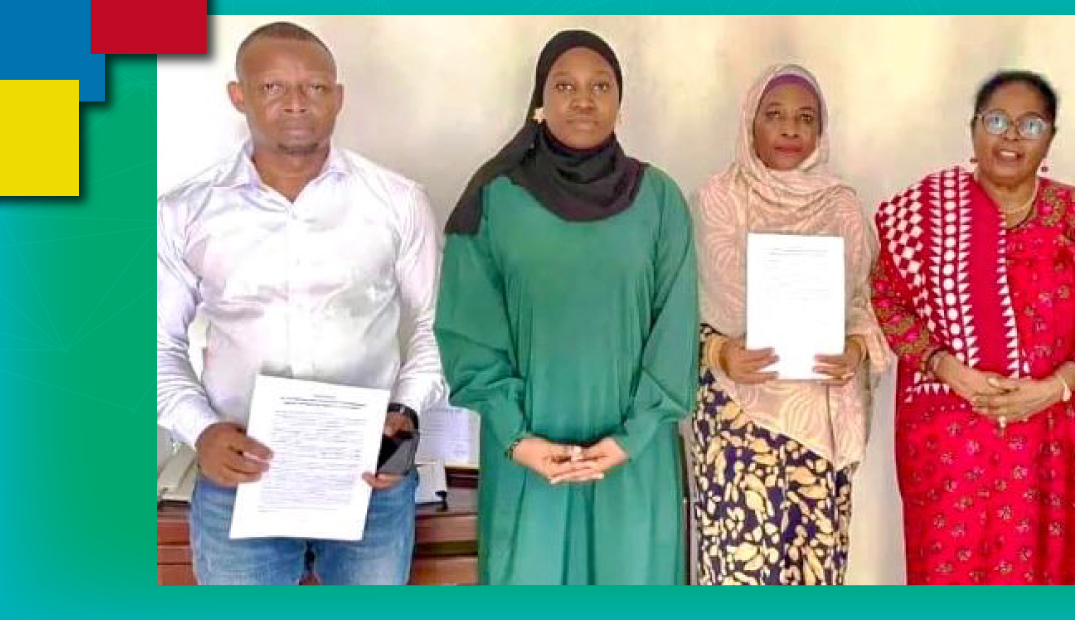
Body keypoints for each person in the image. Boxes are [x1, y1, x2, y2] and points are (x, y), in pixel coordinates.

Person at [155, 21, 444, 585]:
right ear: (239, 95)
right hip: (238, 475)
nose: (296, 103)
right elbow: (154, 344)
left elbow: (437, 327)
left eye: (314, 87)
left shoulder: (397, 202)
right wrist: (202, 431)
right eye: (272, 87)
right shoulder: (184, 212)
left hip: (371, 474)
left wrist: (405, 419)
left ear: (338, 98)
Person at [435, 30, 698, 585]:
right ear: (540, 100)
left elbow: (675, 328)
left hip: (634, 460)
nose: (583, 100)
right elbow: (468, 331)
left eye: (601, 86)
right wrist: (516, 436)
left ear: (620, 103)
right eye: (565, 86)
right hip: (530, 460)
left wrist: (631, 438)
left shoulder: (659, 200)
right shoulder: (493, 199)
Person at [869, 70, 1075, 585]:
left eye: (1030, 125)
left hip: (1056, 440)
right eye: (997, 121)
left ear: (1049, 139)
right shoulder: (926, 214)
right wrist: (947, 368)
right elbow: (888, 301)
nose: (1011, 136)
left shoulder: (1074, 213)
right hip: (952, 447)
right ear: (973, 129)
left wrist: (1055, 386)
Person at [688, 64, 889, 585]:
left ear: (821, 130)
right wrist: (720, 352)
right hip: (737, 422)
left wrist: (856, 350)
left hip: (819, 426)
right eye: (774, 115)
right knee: (738, 573)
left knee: (812, 575)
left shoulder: (842, 206)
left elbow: (868, 303)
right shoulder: (715, 201)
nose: (790, 129)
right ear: (749, 123)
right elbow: (676, 310)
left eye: (806, 118)